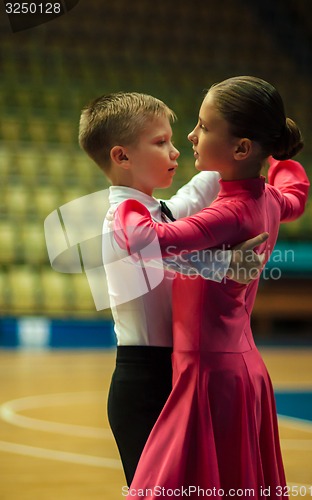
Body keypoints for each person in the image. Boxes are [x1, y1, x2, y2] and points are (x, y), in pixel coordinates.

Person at [112, 77, 310, 498]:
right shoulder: (266, 200)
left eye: (203, 126)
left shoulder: (228, 212)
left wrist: (123, 203)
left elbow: (150, 239)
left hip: (207, 374)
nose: (191, 135)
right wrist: (282, 160)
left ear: (240, 149)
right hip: (242, 367)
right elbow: (296, 194)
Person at [78, 92, 269, 486]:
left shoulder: (155, 209)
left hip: (178, 373)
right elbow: (158, 250)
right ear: (121, 157)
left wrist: (251, 147)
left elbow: (193, 195)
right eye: (160, 142)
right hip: (144, 381)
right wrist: (225, 265)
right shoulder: (124, 216)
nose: (176, 150)